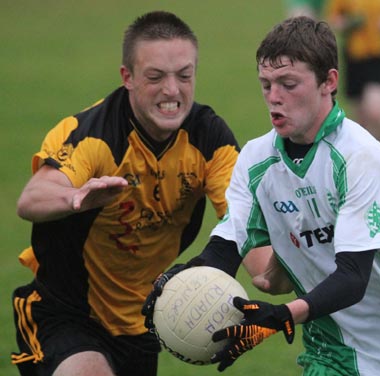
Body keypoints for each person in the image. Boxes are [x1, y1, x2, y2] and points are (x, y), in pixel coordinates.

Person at [143, 15, 380, 375]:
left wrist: (282, 316)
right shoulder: (257, 162)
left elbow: (353, 277)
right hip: (328, 354)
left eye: (288, 84)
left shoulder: (361, 158)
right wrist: (184, 280)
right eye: (266, 84)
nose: (274, 98)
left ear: (328, 82)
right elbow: (226, 248)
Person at [10, 10, 240, 376]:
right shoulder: (94, 135)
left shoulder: (211, 141)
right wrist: (75, 198)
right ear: (127, 77)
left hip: (143, 321)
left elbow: (247, 226)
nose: (172, 90)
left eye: (184, 76)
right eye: (155, 77)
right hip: (63, 310)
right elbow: (30, 199)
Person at [327, 0, 380, 146]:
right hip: (355, 59)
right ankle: (367, 160)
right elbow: (335, 20)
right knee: (361, 121)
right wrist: (349, 24)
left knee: (376, 112)